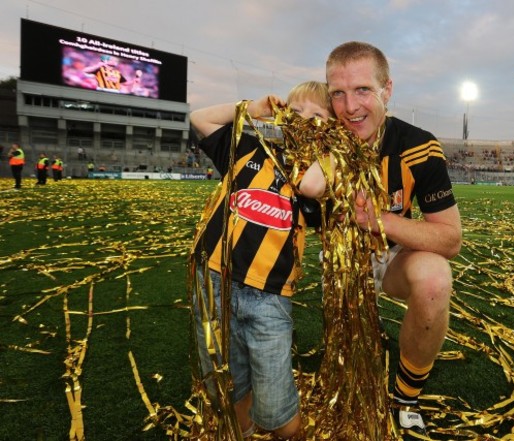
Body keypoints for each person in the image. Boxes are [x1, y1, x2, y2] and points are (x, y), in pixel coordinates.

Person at [324, 41, 462, 440]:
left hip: (390, 255)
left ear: (387, 90)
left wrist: (377, 220)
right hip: (336, 261)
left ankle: (405, 396)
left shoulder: (417, 145)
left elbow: (450, 239)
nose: (350, 107)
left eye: (363, 90)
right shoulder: (319, 137)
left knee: (436, 276)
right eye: (338, 93)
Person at [189, 81, 332, 440]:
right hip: (214, 282)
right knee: (230, 384)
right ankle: (243, 429)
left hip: (267, 296)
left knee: (279, 413)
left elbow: (313, 188)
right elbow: (199, 118)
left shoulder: (318, 172)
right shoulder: (248, 146)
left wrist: (330, 149)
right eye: (297, 111)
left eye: (318, 116)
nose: (305, 121)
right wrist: (251, 110)